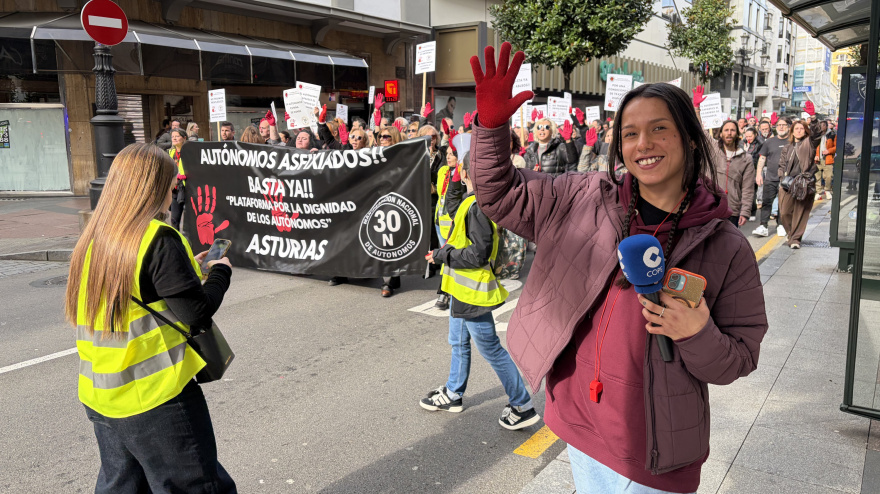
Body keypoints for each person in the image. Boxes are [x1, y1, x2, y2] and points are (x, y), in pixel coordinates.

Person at [468, 43, 767, 493]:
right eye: (629, 134)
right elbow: (499, 194)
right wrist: (491, 127)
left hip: (656, 454)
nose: (642, 144)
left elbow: (739, 358)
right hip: (578, 423)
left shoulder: (726, 247)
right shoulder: (582, 196)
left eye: (658, 129)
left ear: (688, 138)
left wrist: (695, 332)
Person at [65, 143, 236, 494]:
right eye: (172, 185)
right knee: (197, 487)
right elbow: (197, 315)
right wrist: (220, 272)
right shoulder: (157, 237)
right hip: (157, 398)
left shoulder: (93, 239)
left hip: (102, 396)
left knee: (123, 487)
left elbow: (145, 291)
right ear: (152, 186)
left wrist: (190, 269)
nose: (175, 193)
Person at [421, 152, 541, 431]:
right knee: (458, 341)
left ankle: (522, 404)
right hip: (461, 290)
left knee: (491, 349)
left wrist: (443, 256)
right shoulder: (473, 201)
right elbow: (452, 211)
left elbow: (478, 253)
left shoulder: (477, 207)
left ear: (465, 174)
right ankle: (453, 393)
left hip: (472, 291)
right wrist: (455, 177)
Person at [778, 120, 817, 249]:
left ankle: (795, 239)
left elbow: (817, 133)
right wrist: (782, 177)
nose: (799, 130)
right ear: (792, 131)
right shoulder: (787, 147)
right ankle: (791, 234)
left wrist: (814, 119)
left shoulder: (809, 144)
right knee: (784, 212)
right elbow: (781, 164)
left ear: (806, 131)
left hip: (803, 183)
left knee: (800, 212)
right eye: (796, 128)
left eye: (802, 128)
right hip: (788, 183)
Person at [709, 120, 755, 227]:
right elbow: (700, 131)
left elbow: (748, 188)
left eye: (733, 130)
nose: (729, 133)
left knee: (727, 243)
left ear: (738, 134)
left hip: (731, 210)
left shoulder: (746, 159)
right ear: (720, 134)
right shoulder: (712, 150)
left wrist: (745, 212)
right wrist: (697, 109)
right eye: (726, 130)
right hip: (710, 207)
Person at [753, 117, 791, 237]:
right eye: (779, 125)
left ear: (789, 127)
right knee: (766, 202)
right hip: (770, 178)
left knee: (783, 204)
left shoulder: (792, 142)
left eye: (783, 125)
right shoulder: (769, 142)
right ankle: (763, 226)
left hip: (786, 180)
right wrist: (759, 174)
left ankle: (781, 225)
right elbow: (762, 158)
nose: (781, 127)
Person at [167, 129, 189, 230]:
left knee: (189, 221)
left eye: (177, 136)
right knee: (174, 220)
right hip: (176, 189)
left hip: (188, 188)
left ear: (184, 138)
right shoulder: (171, 152)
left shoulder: (190, 152)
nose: (174, 138)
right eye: (173, 137)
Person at [814, 119, 836, 200]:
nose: (821, 127)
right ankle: (818, 192)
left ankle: (827, 190)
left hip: (828, 159)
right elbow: (813, 146)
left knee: (829, 176)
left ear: (826, 126)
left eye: (823, 125)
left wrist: (829, 151)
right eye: (820, 126)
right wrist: (814, 155)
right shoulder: (816, 135)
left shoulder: (832, 134)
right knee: (817, 177)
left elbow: (836, 147)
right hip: (817, 159)